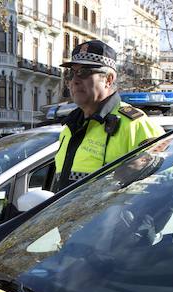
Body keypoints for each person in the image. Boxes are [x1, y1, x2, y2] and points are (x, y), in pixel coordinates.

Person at [54, 40, 164, 192]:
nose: (75, 80)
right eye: (71, 73)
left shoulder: (136, 125)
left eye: (84, 72)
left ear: (108, 79)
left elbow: (163, 190)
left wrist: (123, 216)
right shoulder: (70, 127)